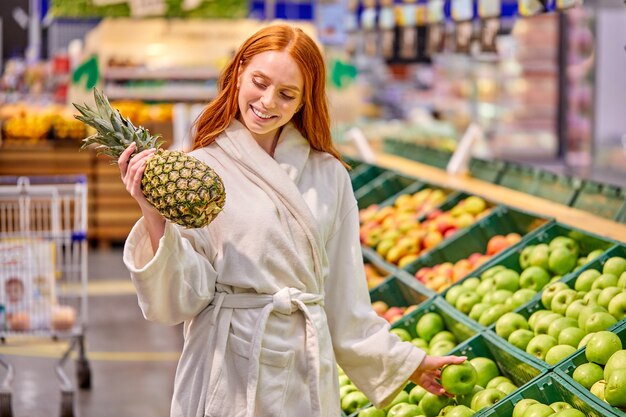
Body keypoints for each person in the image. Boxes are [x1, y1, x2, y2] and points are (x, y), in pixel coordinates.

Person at [119, 24, 465, 417]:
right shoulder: (199, 171)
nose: (267, 102)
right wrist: (153, 214)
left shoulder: (329, 175)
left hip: (304, 370)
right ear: (238, 73)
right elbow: (181, 299)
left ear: (304, 102)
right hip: (229, 368)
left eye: (287, 94)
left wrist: (408, 363)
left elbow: (345, 298)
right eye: (259, 83)